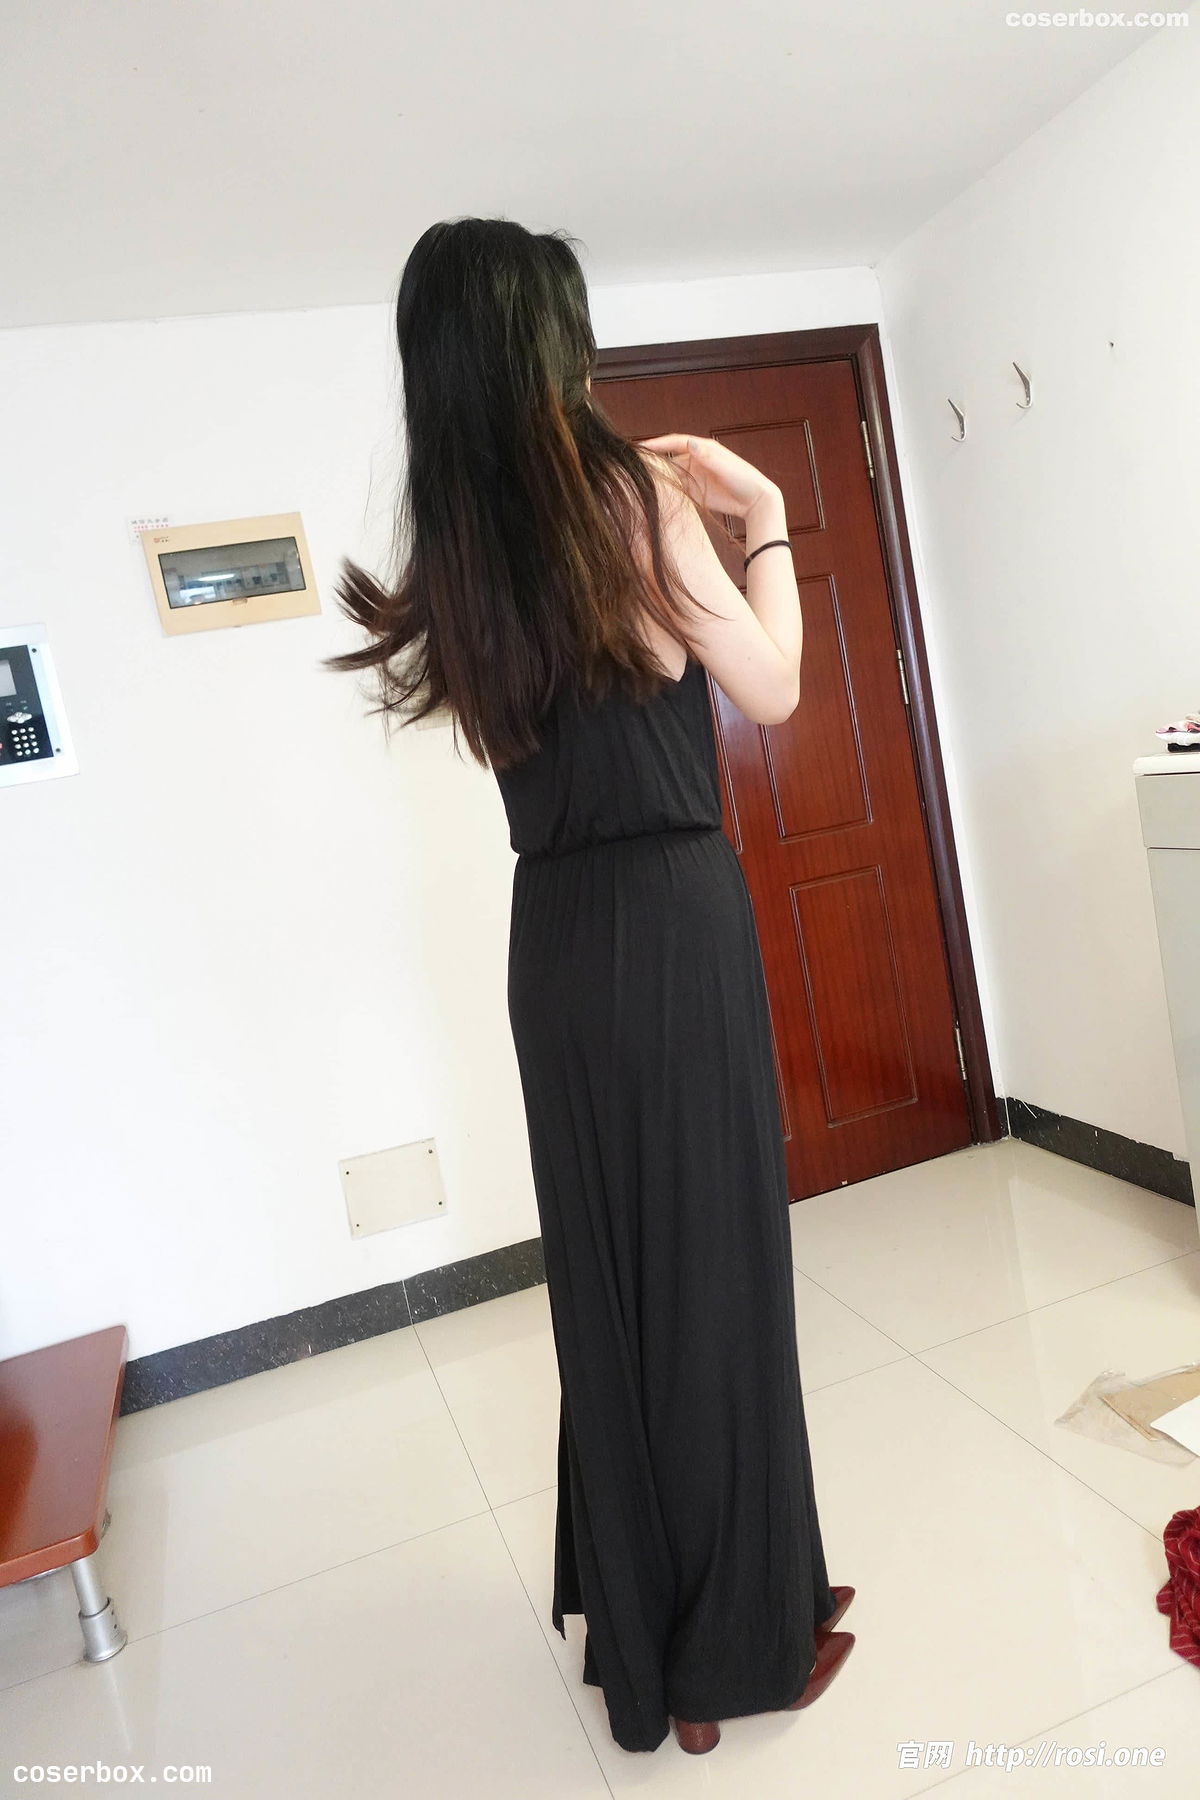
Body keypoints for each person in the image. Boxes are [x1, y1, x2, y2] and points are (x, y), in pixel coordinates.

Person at [324, 215, 855, 1756]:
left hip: (553, 940)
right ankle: (725, 1653)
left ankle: (653, 1624)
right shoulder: (631, 500)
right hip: (673, 922)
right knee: (717, 1277)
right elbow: (775, 687)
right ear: (548, 344)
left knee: (617, 1287)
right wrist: (764, 516)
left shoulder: (463, 553)